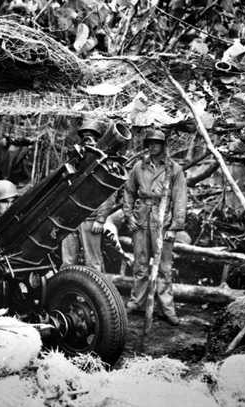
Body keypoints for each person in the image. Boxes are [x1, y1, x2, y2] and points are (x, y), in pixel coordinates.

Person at [123, 128, 187, 326]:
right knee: (140, 264)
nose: (152, 145)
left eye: (157, 143)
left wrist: (175, 226)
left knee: (164, 268)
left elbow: (180, 197)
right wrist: (128, 215)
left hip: (163, 221)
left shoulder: (173, 168)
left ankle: (167, 309)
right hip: (141, 218)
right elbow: (128, 191)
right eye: (149, 142)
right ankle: (136, 302)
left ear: (163, 146)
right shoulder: (138, 167)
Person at [61, 119, 116, 273]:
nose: (87, 140)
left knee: (93, 263)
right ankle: (69, 293)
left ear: (97, 139)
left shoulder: (105, 162)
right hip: (71, 217)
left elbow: (110, 192)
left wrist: (101, 218)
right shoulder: (74, 159)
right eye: (84, 136)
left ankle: (97, 296)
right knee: (68, 261)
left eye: (91, 137)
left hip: (90, 219)